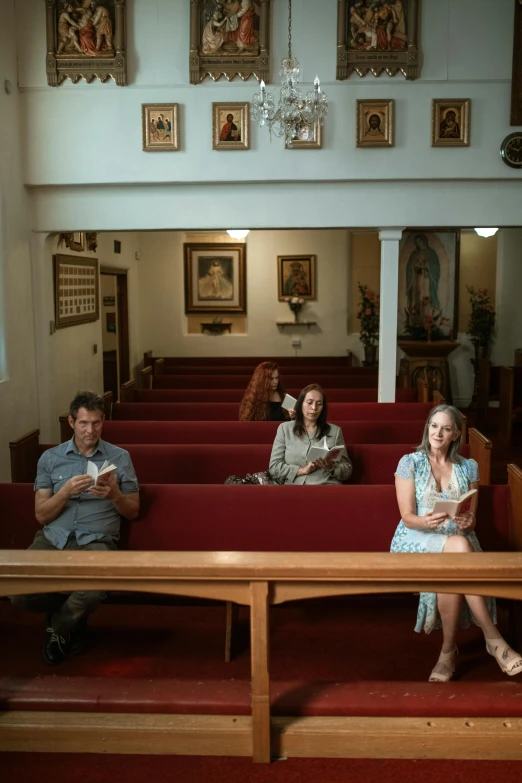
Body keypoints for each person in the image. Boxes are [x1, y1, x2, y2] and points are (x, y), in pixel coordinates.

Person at [391, 404, 522, 682]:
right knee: (460, 549)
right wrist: (427, 522)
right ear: (428, 428)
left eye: (446, 428)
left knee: (457, 550)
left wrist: (467, 521)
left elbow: (471, 518)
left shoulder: (468, 467)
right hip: (417, 537)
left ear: (455, 435)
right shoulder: (410, 462)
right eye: (434, 425)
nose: (438, 432)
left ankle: (448, 652)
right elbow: (407, 517)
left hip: (456, 538)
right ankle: (493, 639)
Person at [10, 390, 139, 666]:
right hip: (53, 538)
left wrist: (115, 494)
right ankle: (73, 617)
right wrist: (65, 491)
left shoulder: (120, 458)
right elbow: (41, 515)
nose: (90, 430)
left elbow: (133, 511)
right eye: (83, 423)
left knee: (92, 590)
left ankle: (58, 628)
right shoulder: (50, 459)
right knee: (17, 591)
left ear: (103, 422)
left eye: (96, 423)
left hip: (95, 540)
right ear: (71, 422)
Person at [269, 384, 352, 484]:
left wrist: (331, 467)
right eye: (309, 402)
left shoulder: (335, 431)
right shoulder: (284, 428)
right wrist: (301, 470)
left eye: (319, 404)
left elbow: (347, 470)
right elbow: (274, 467)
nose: (314, 408)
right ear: (300, 404)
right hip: (294, 488)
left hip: (326, 486)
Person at [405, 233, 441, 327]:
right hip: (417, 279)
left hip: (426, 280)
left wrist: (426, 266)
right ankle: (417, 318)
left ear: (424, 241)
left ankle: (427, 318)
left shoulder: (432, 253)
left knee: (425, 296)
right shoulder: (414, 254)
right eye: (416, 242)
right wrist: (414, 267)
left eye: (420, 241)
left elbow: (436, 267)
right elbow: (409, 267)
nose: (418, 244)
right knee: (417, 296)